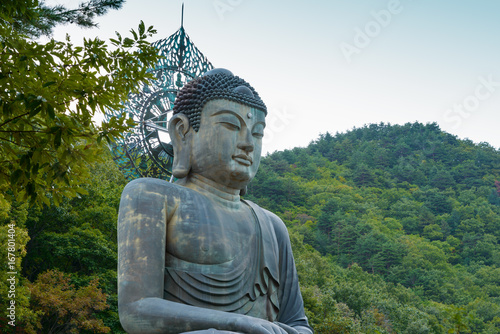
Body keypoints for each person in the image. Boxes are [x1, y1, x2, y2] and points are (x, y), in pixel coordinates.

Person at [117, 69, 313, 334]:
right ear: (182, 132)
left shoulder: (272, 226)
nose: (248, 144)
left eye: (257, 133)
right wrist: (237, 323)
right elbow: (136, 309)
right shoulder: (151, 196)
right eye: (231, 126)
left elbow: (299, 325)